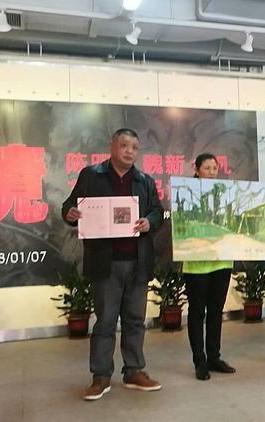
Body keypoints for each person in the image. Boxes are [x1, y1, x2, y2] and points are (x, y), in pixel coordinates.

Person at [62, 128, 164, 401]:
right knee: (105, 322)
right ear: (112, 146)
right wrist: (70, 213)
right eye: (124, 145)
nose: (129, 151)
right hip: (105, 263)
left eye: (134, 147)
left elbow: (158, 211)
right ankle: (101, 376)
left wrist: (149, 221)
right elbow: (69, 206)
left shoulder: (144, 181)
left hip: (138, 262)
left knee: (135, 321)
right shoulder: (91, 175)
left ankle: (134, 371)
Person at [182, 153, 236, 381]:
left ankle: (214, 357)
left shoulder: (225, 193)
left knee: (216, 311)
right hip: (196, 265)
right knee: (197, 313)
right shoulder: (187, 193)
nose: (212, 172)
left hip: (222, 261)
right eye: (207, 168)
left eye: (215, 168)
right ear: (196, 170)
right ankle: (199, 361)